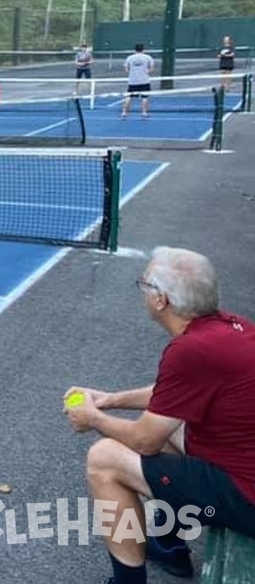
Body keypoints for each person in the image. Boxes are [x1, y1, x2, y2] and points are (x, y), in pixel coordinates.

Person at [64, 247, 255, 584]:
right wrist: (109, 400)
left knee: (104, 459)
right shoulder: (231, 327)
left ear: (161, 301)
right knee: (173, 424)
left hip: (247, 495)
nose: (142, 291)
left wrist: (92, 418)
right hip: (242, 465)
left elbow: (145, 441)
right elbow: (174, 398)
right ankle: (169, 546)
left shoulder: (190, 351)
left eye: (144, 284)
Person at [121, 43, 155, 119]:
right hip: (144, 81)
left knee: (129, 97)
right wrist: (145, 73)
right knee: (145, 97)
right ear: (143, 49)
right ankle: (144, 113)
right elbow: (152, 69)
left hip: (133, 81)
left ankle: (124, 113)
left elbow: (126, 69)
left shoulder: (129, 58)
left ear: (135, 49)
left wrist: (133, 73)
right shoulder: (148, 57)